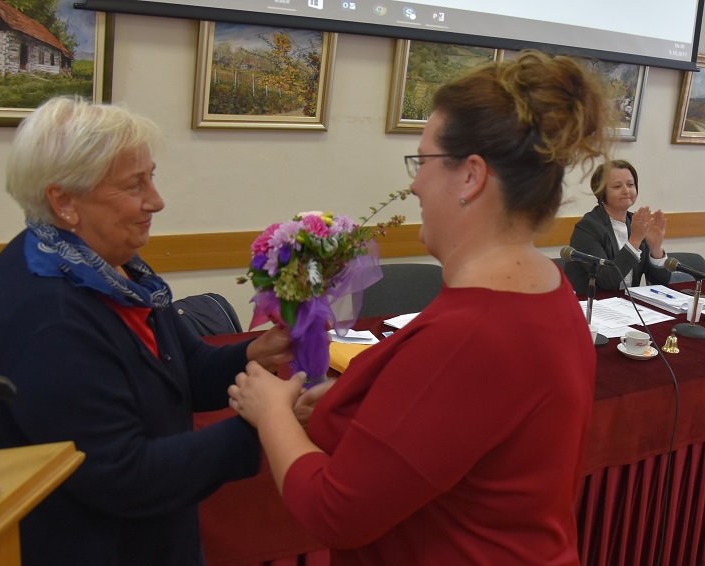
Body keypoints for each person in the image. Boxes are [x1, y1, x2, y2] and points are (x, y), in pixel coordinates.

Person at [227, 50, 611, 565]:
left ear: (471, 176)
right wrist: (363, 406)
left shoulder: (472, 331)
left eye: (423, 161)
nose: (414, 184)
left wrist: (272, 412)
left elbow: (335, 512)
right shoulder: (546, 287)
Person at [0, 96, 291, 566]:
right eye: (134, 184)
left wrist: (258, 352)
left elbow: (184, 370)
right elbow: (124, 475)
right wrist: (267, 426)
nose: (157, 200)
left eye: (151, 177)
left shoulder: (108, 268)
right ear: (64, 201)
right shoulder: (49, 317)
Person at [564, 159, 670, 294]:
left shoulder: (636, 223)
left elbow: (661, 283)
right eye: (617, 186)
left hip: (627, 303)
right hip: (592, 303)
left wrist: (656, 248)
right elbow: (607, 280)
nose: (626, 191)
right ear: (601, 192)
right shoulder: (587, 228)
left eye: (630, 184)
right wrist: (635, 240)